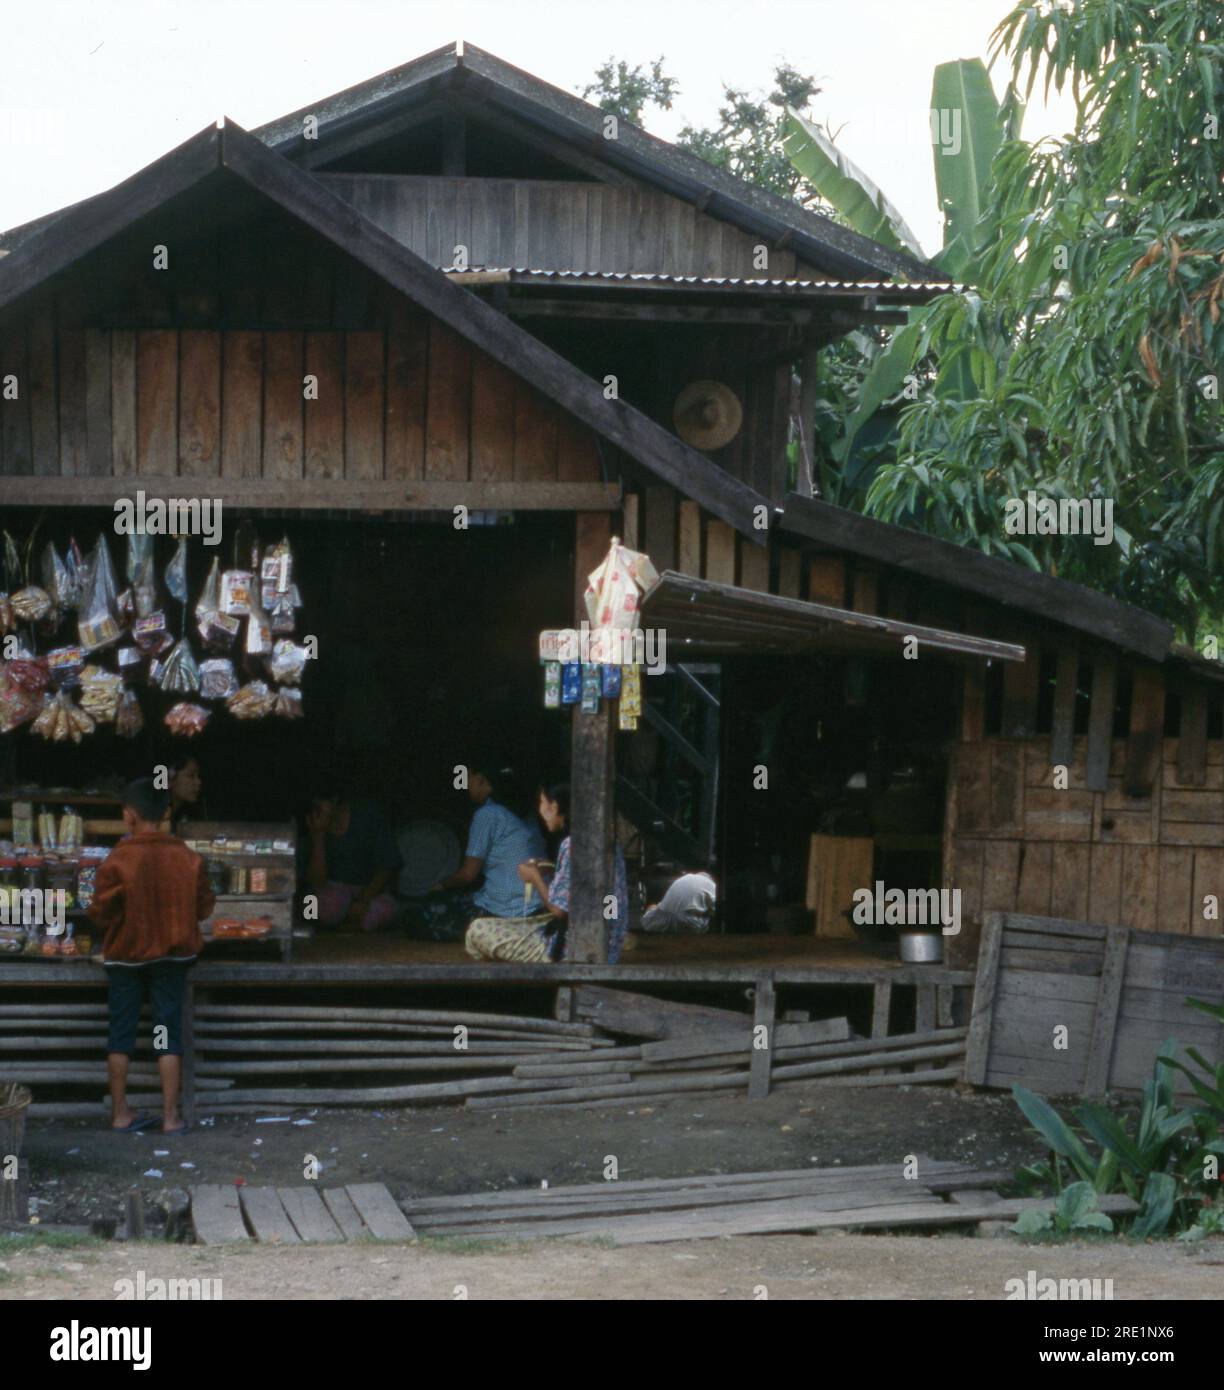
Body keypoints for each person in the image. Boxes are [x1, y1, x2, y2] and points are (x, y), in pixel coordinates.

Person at [88, 777, 215, 1135]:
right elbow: (204, 908)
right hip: (171, 960)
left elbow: (99, 913)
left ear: (129, 815)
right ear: (165, 813)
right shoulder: (188, 859)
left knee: (121, 1034)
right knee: (165, 1032)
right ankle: (171, 1117)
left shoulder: (117, 860)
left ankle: (120, 1113)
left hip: (126, 960)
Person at [491, 782, 630, 964]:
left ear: (554, 805)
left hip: (573, 951)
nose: (540, 810)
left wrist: (535, 877)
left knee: (477, 931)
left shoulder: (571, 844)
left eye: (542, 802)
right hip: (609, 950)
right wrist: (551, 868)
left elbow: (559, 911)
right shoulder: (608, 842)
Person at [418, 762, 546, 942]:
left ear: (480, 779)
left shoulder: (488, 814)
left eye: (467, 779)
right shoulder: (526, 813)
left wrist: (440, 885)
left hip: (506, 908)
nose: (465, 785)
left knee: (419, 916)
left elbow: (468, 875)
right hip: (535, 906)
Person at [303, 783, 402, 933]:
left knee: (384, 910)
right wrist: (318, 836)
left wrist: (363, 900)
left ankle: (353, 929)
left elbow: (387, 865)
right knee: (315, 907)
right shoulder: (312, 826)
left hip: (371, 889)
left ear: (334, 801)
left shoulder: (368, 814)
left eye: (320, 806)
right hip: (334, 891)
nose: (316, 812)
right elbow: (316, 883)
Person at [640, 871, 717, 934]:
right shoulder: (712, 885)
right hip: (689, 925)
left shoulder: (684, 878)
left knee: (653, 906)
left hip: (662, 922)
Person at [166, 754, 202, 832]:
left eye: (198, 776)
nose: (198, 782)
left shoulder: (190, 815)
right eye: (191, 776)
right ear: (169, 780)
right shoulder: (151, 817)